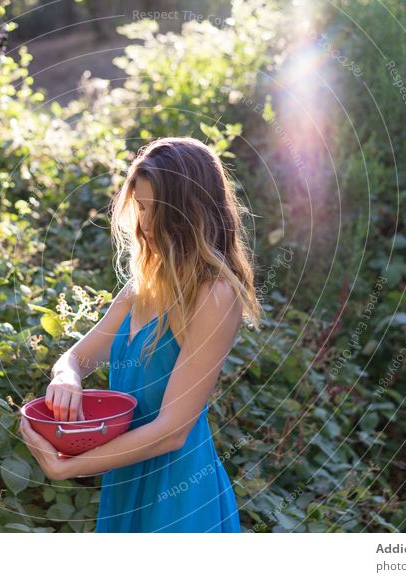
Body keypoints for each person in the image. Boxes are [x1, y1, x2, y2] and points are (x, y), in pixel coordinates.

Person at [19, 136, 261, 532]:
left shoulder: (215, 294)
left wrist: (70, 467)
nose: (143, 223)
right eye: (141, 207)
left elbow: (172, 432)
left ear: (189, 214)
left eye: (154, 210)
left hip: (178, 490)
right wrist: (66, 378)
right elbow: (76, 358)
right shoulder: (140, 288)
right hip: (126, 477)